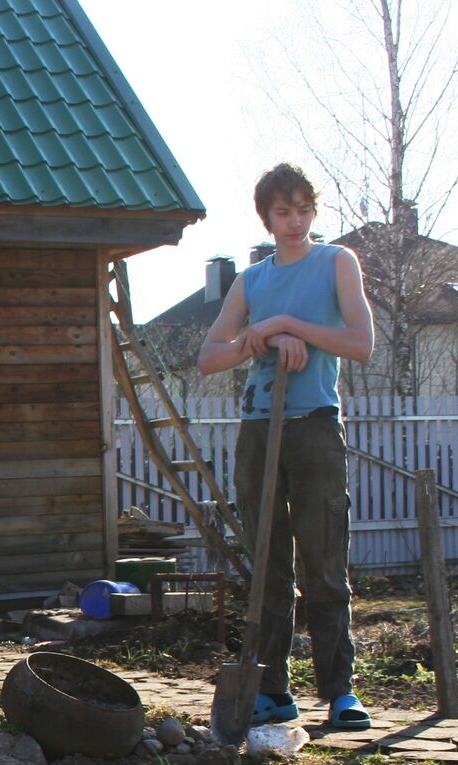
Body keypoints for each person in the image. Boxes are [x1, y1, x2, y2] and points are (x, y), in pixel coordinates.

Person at [197, 163, 376, 729]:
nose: (295, 221)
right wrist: (262, 338)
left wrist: (290, 325)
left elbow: (361, 343)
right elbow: (209, 357)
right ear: (266, 218)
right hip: (259, 428)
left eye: (304, 209)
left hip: (315, 426)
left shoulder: (337, 263)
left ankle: (340, 691)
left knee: (323, 562)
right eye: (283, 212)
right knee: (269, 565)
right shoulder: (252, 280)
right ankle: (272, 688)